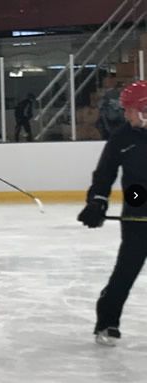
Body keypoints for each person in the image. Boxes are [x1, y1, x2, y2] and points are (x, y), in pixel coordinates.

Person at [77, 80, 147, 347]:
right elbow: (105, 174)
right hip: (138, 202)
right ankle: (107, 321)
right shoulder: (122, 137)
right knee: (126, 271)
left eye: (129, 110)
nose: (125, 114)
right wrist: (97, 202)